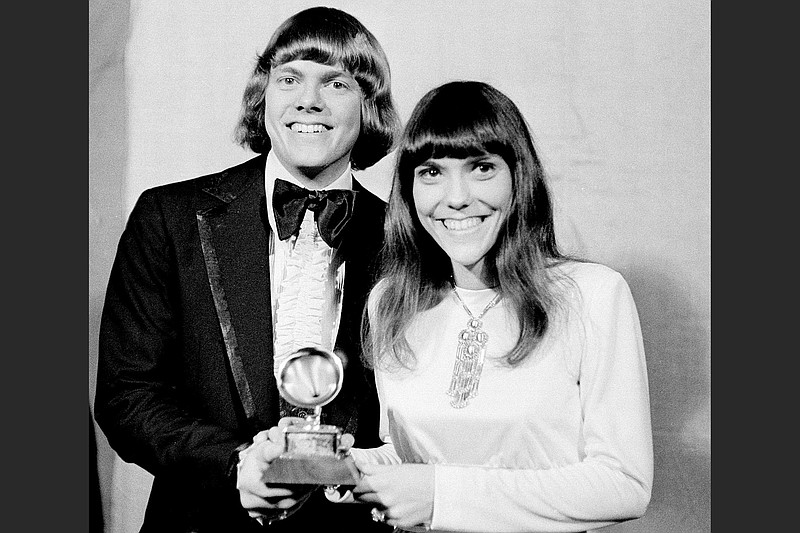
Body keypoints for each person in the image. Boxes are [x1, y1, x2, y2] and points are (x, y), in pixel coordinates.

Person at [94, 7, 400, 532]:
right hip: (201, 521)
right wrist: (236, 463)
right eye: (289, 78)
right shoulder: (169, 218)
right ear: (265, 99)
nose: (309, 99)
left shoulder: (406, 237)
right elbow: (126, 396)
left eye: (337, 83)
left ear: (368, 106)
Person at [348, 80, 654, 532]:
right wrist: (330, 461)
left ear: (518, 178)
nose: (456, 197)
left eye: (481, 168)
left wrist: (441, 496)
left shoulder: (592, 295)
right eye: (431, 172)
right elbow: (410, 454)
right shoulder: (391, 303)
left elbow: (623, 483)